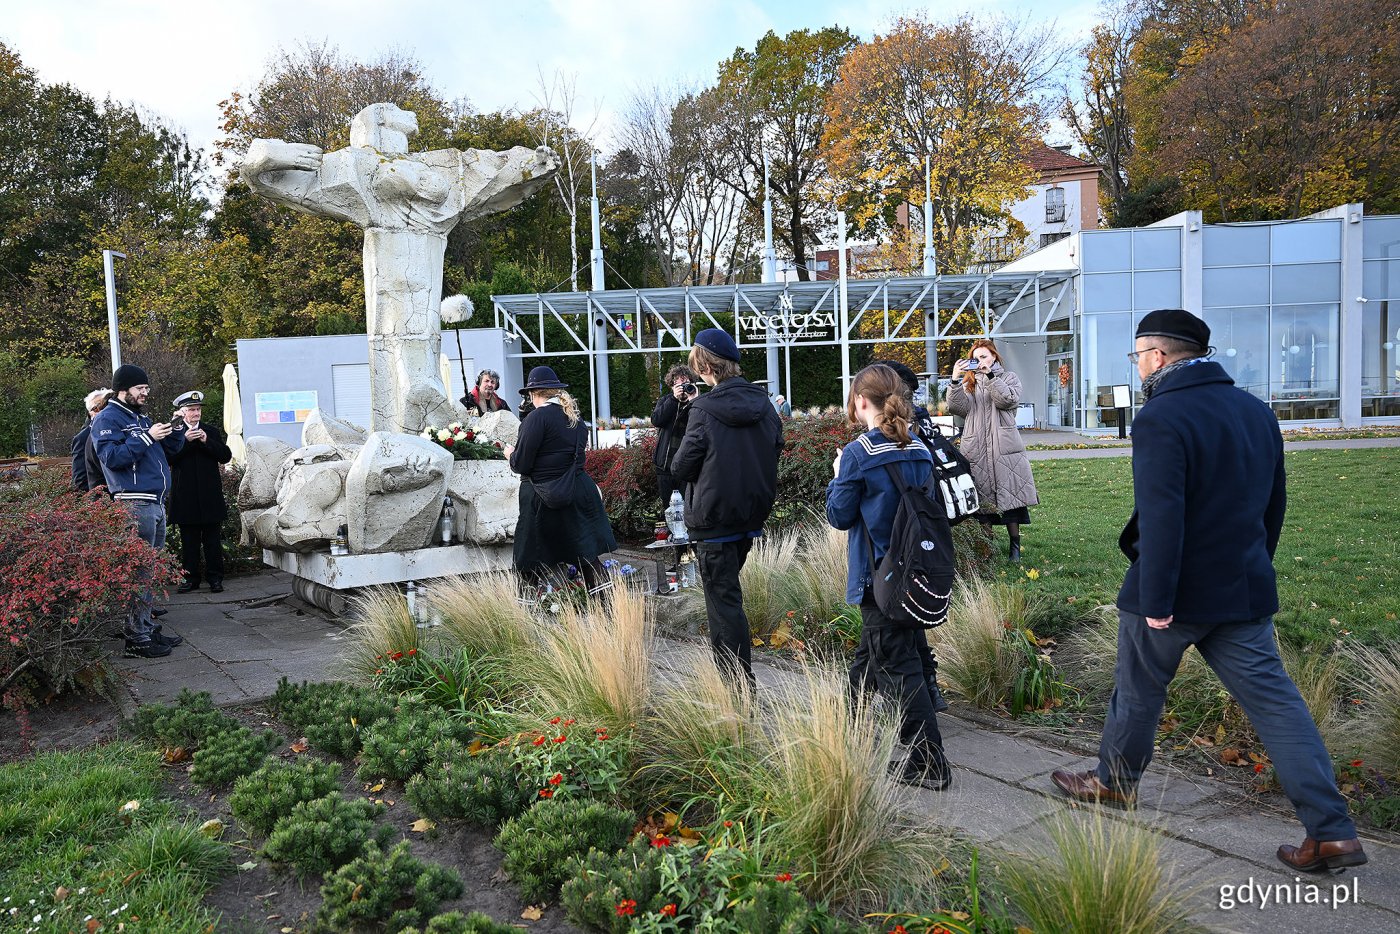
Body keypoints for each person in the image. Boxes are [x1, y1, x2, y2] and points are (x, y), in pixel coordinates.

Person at [1051, 309, 1366, 872]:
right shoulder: (1255, 410)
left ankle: (1114, 784)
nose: (1140, 365)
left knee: (1138, 691)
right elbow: (1274, 506)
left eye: (1139, 356)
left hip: (1173, 593)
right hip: (1242, 591)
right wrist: (1251, 568)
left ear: (1160, 356)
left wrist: (1159, 602)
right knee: (1278, 707)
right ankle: (1333, 831)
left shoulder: (1161, 417)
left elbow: (1163, 516)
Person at [826, 364, 951, 790]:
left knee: (899, 666)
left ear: (861, 401)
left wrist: (840, 472)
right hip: (913, 573)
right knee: (873, 655)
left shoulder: (859, 453)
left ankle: (930, 762)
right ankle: (848, 728)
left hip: (878, 578)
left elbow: (839, 516)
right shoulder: (917, 448)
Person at [670, 329, 783, 686]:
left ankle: (736, 686)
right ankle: (736, 681)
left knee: (723, 604)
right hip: (750, 515)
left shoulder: (703, 409)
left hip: (714, 519)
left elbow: (680, 466)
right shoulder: (764, 403)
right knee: (728, 597)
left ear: (705, 366)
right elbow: (776, 446)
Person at [870, 359, 951, 713]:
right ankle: (926, 690)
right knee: (901, 624)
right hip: (927, 535)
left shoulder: (892, 434)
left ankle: (917, 698)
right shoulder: (917, 426)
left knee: (893, 626)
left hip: (896, 544)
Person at [91, 364, 185, 658]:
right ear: (123, 389)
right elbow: (112, 457)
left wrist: (175, 429)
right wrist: (147, 437)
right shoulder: (107, 419)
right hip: (134, 504)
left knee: (150, 572)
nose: (146, 392)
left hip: (154, 503)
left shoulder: (139, 417)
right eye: (140, 388)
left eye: (146, 388)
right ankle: (137, 638)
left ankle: (146, 628)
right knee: (139, 573)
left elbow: (167, 452)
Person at [505, 366, 616, 588]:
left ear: (533, 393)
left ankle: (525, 614)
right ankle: (610, 609)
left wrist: (509, 454)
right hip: (578, 488)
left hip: (541, 495)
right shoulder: (574, 417)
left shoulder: (537, 418)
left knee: (529, 557)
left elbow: (522, 464)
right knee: (586, 555)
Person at [946, 338, 1038, 561]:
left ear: (994, 356)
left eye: (984, 356)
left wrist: (990, 377)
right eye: (976, 358)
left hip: (1003, 445)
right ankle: (986, 548)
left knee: (1010, 497)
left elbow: (1007, 400)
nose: (980, 361)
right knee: (981, 498)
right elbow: (957, 408)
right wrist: (955, 379)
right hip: (975, 445)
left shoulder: (1008, 378)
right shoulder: (969, 382)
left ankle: (1014, 546)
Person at [167, 390, 233, 594]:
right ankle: (190, 578)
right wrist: (184, 441)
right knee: (189, 543)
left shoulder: (211, 431)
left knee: (213, 542)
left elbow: (225, 456)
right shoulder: (174, 432)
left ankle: (215, 579)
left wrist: (206, 441)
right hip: (185, 496)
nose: (196, 413)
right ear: (182, 412)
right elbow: (168, 458)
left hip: (209, 495)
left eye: (197, 410)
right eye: (191, 410)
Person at [650, 364, 699, 506]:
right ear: (672, 385)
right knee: (668, 507)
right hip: (664, 466)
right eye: (678, 384)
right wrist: (674, 399)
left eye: (686, 383)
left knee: (688, 506)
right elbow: (657, 420)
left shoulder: (696, 403)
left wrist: (693, 400)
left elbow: (700, 425)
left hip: (686, 465)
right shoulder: (666, 401)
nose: (682, 388)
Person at [71, 389, 112, 492]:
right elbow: (81, 479)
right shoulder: (83, 438)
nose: (103, 410)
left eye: (106, 406)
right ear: (90, 412)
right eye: (98, 408)